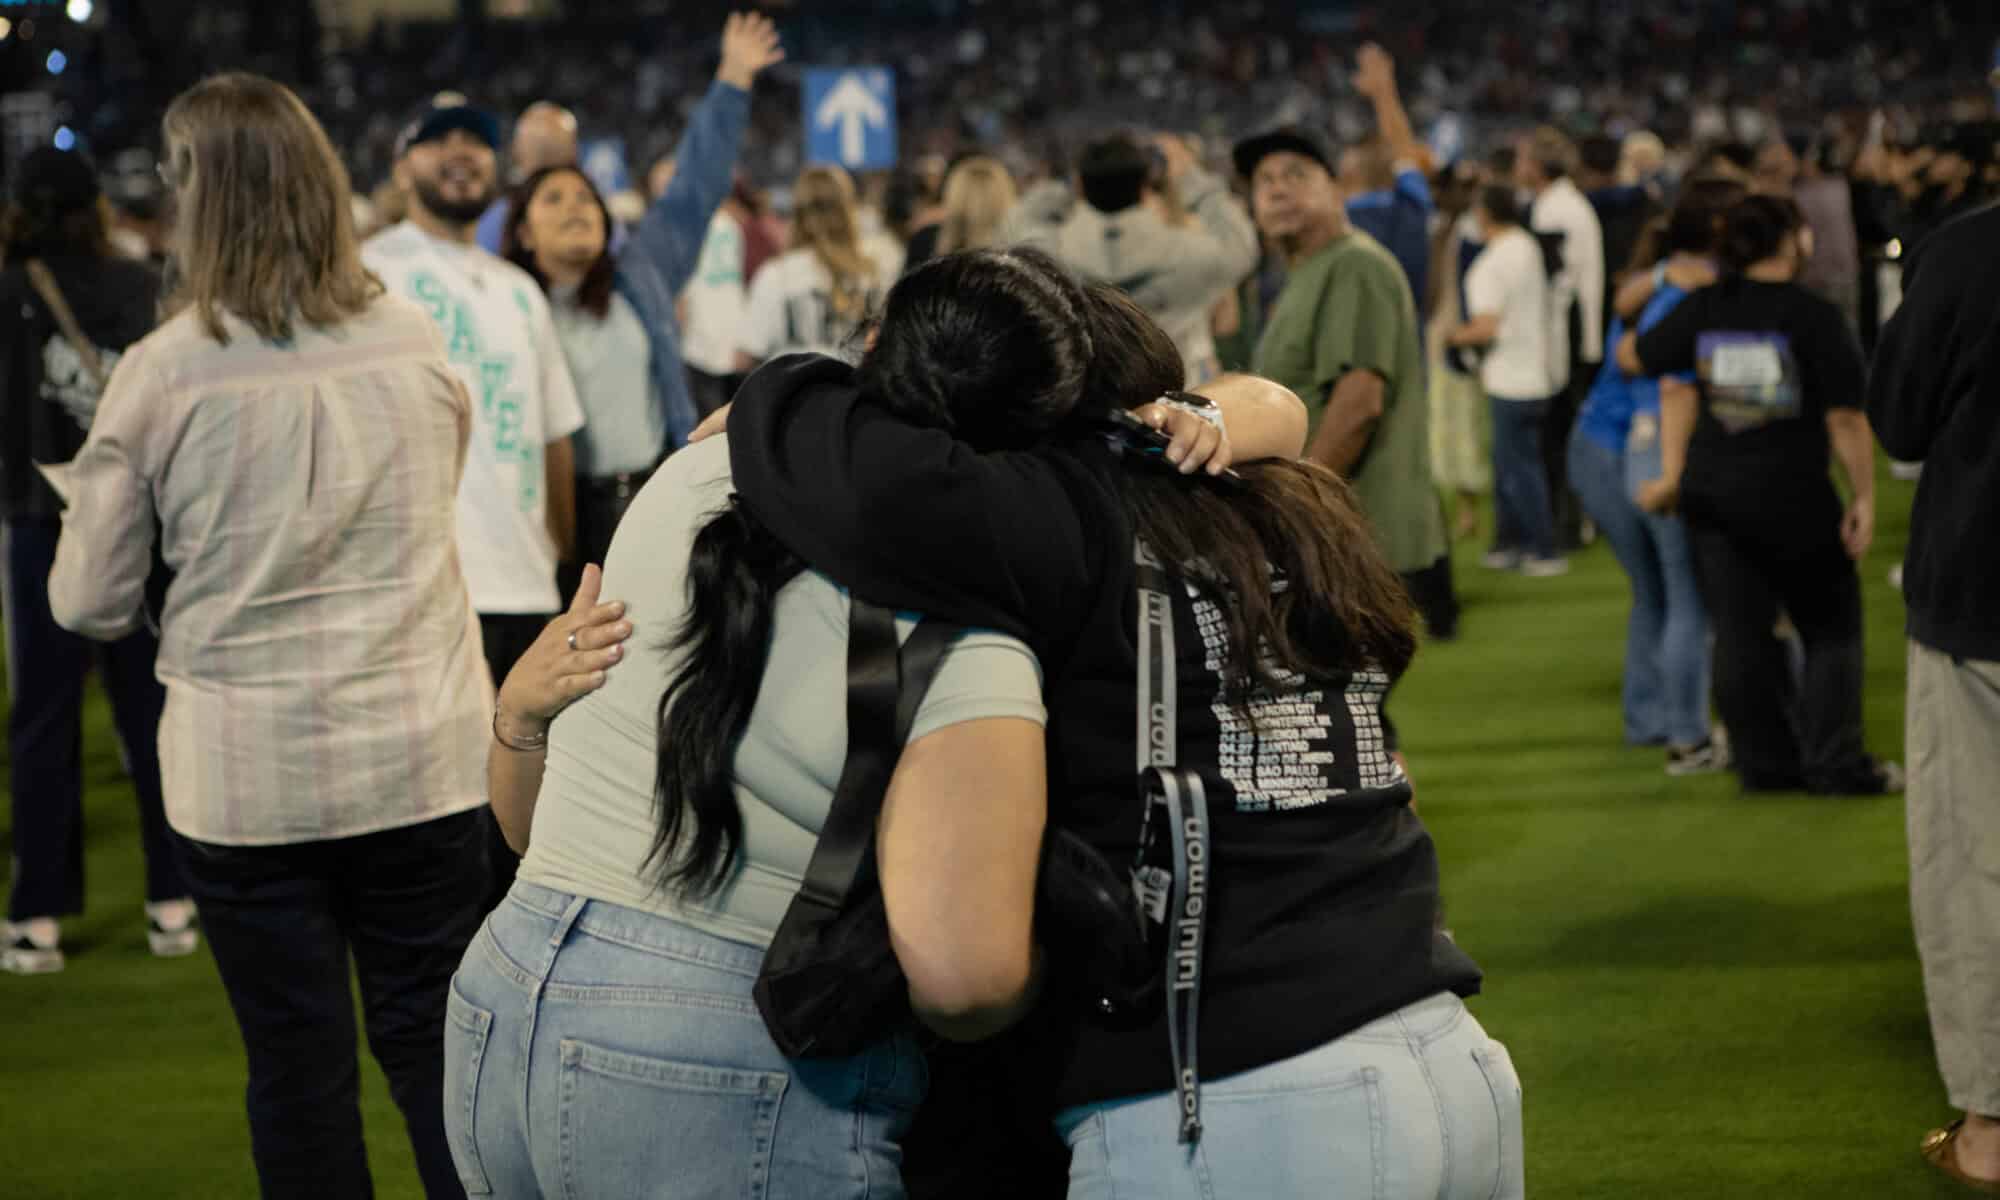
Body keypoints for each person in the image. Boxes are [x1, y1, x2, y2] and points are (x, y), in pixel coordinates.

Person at [443, 249, 1287, 1198]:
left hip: (505, 997)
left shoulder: (709, 462)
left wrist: (517, 720)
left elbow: (536, 830)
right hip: (722, 1050)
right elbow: (968, 979)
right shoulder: (968, 611)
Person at [717, 259, 1521, 1199]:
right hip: (1445, 1048)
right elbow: (1279, 409)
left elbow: (840, 466)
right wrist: (1212, 410)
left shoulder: (1057, 511)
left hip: (1238, 1101)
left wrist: (809, 390)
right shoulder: (1284, 505)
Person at [45, 72, 494, 1199]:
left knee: (299, 1074)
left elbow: (88, 600)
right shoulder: (409, 337)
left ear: (196, 197)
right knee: (438, 1058)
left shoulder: (164, 373)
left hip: (251, 783)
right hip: (420, 759)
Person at [1622, 194, 1900, 796]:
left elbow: (1634, 355)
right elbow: (1846, 418)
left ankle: (1765, 764)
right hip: (1794, 495)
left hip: (1715, 499)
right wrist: (1864, 496)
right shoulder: (1814, 315)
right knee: (1831, 628)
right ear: (1791, 240)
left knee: (1739, 633)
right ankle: (1835, 762)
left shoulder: (1706, 307)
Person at [0, 146, 194, 975]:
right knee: (148, 710)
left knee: (43, 722)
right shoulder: (139, 284)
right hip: (137, 521)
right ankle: (173, 901)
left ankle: (38, 916)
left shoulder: (11, 288)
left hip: (41, 520)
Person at [500, 13, 782, 575]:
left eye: (585, 198)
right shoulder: (505, 301)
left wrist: (732, 80)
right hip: (546, 513)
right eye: (553, 199)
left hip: (647, 498)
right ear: (524, 232)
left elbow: (693, 189)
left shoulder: (641, 274)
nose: (575, 206)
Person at [1867, 202, 2000, 1192]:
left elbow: (1900, 420)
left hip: (1980, 598)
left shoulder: (1967, 249)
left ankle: (1990, 1124)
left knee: (1975, 861)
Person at [1238, 125, 1457, 639]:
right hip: (1335, 530)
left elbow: (1359, 404)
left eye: (1296, 174)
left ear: (1336, 190)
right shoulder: (1309, 271)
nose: (1278, 188)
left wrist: (1296, 506)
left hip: (1351, 532)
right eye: (1265, 180)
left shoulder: (1353, 264)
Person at [1568, 177, 1744, 771]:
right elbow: (1658, 379)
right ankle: (1685, 733)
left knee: (1658, 593)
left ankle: (1651, 719)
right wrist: (1672, 471)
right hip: (1632, 444)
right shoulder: (1684, 290)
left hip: (1608, 443)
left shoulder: (1662, 280)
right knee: (1682, 594)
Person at [1006, 131, 1259, 386]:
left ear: (1081, 186)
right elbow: (1241, 245)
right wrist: (1191, 178)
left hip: (1087, 396)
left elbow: (1014, 223)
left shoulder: (1049, 254)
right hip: (1174, 397)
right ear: (1144, 188)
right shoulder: (1186, 253)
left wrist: (1064, 186)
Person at [1446, 183, 1567, 576]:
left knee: (1519, 470)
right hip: (1536, 372)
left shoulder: (1491, 263)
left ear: (1484, 214)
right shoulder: (1526, 246)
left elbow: (1486, 326)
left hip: (1510, 378)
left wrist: (1451, 338)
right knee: (1512, 466)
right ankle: (1509, 543)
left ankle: (1544, 550)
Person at [1518, 126, 1606, 551]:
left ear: (1537, 166)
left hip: (1565, 331)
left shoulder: (1557, 210)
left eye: (1523, 158)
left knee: (1562, 434)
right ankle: (1573, 520)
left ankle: (1572, 523)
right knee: (1562, 432)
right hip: (1570, 329)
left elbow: (1556, 283)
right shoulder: (1562, 203)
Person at [736, 165, 888, 368]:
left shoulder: (776, 275)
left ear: (798, 215)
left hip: (794, 387)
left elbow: (746, 356)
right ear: (847, 210)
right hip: (857, 386)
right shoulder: (873, 274)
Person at [1426, 160, 1491, 543]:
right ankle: (1459, 507)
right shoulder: (1439, 227)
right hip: (1438, 333)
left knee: (1468, 422)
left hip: (1462, 335)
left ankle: (1470, 507)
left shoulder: (1472, 231)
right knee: (1443, 422)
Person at [1343, 42, 1437, 304]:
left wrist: (1382, 92)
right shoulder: (1412, 206)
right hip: (1409, 326)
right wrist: (1384, 92)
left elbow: (1401, 152)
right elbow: (1403, 152)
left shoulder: (1334, 223)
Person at [475, 101, 579, 253]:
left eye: (550, 144)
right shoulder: (593, 213)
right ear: (573, 151)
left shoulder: (493, 219)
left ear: (516, 150)